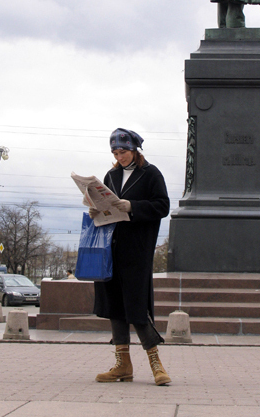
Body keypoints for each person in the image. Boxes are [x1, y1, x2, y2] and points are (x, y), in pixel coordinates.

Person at [90, 128, 171, 386]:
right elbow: (105, 205)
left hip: (136, 249)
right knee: (115, 304)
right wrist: (96, 211)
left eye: (123, 151)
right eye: (115, 152)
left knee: (135, 305)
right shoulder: (111, 175)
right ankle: (122, 365)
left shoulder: (151, 174)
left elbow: (163, 206)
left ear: (135, 149)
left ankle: (156, 364)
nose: (119, 156)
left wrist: (133, 206)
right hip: (110, 248)